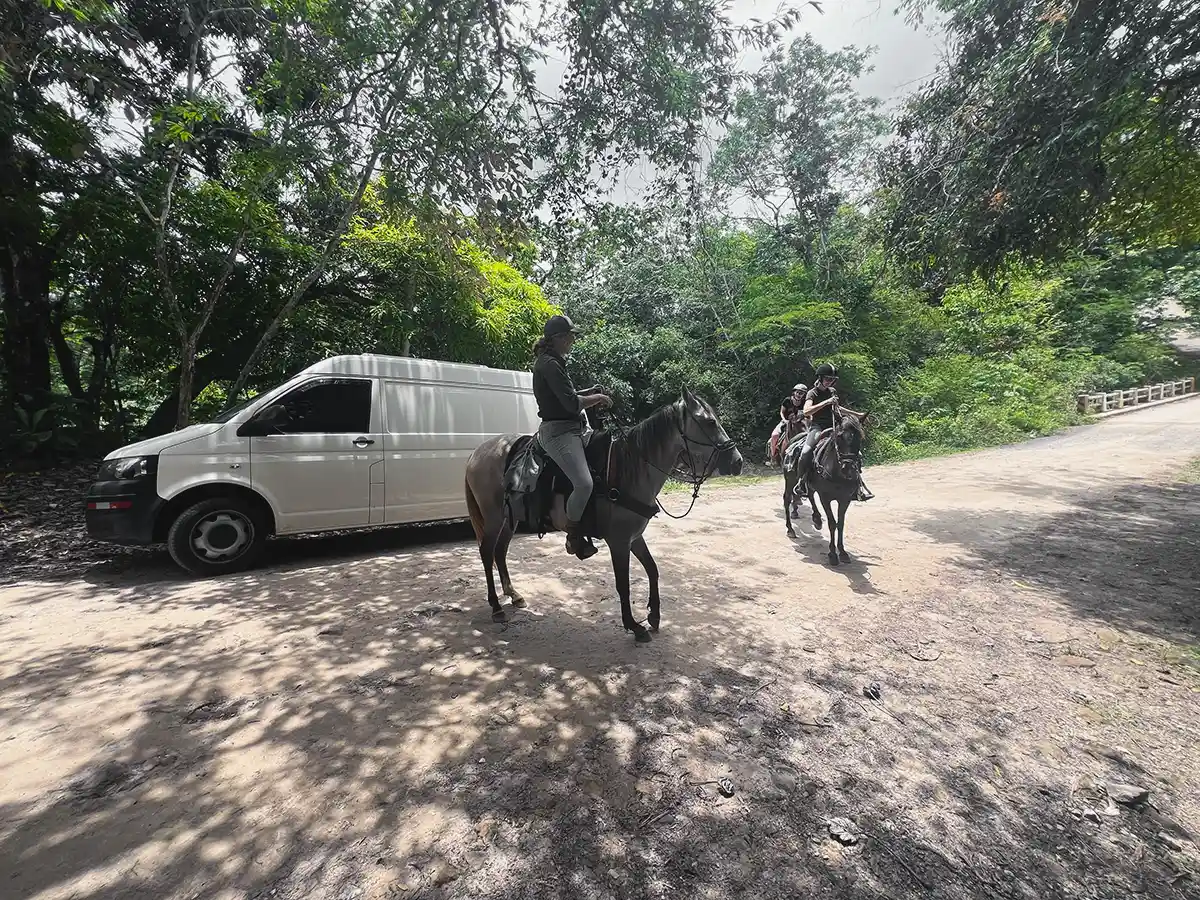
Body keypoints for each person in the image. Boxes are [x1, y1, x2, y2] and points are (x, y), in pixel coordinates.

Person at [532, 314, 613, 559]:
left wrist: (589, 391)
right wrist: (598, 398)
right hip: (558, 433)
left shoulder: (554, 361)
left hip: (575, 429)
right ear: (558, 338)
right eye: (570, 336)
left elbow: (567, 395)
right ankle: (574, 536)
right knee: (584, 483)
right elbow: (569, 403)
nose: (573, 341)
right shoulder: (548, 364)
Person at [797, 363, 874, 501]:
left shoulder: (832, 391)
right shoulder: (812, 393)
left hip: (834, 427)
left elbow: (838, 409)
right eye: (827, 379)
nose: (829, 381)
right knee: (805, 452)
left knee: (856, 453)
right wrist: (826, 402)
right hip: (818, 427)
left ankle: (858, 486)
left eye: (832, 379)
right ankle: (802, 483)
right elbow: (807, 411)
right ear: (820, 378)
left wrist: (857, 414)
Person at [769, 384, 807, 466]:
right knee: (774, 435)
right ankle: (773, 457)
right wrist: (784, 420)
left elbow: (807, 413)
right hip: (786, 421)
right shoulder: (787, 401)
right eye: (798, 392)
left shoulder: (804, 402)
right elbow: (782, 412)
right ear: (794, 392)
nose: (799, 395)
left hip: (800, 422)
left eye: (802, 393)